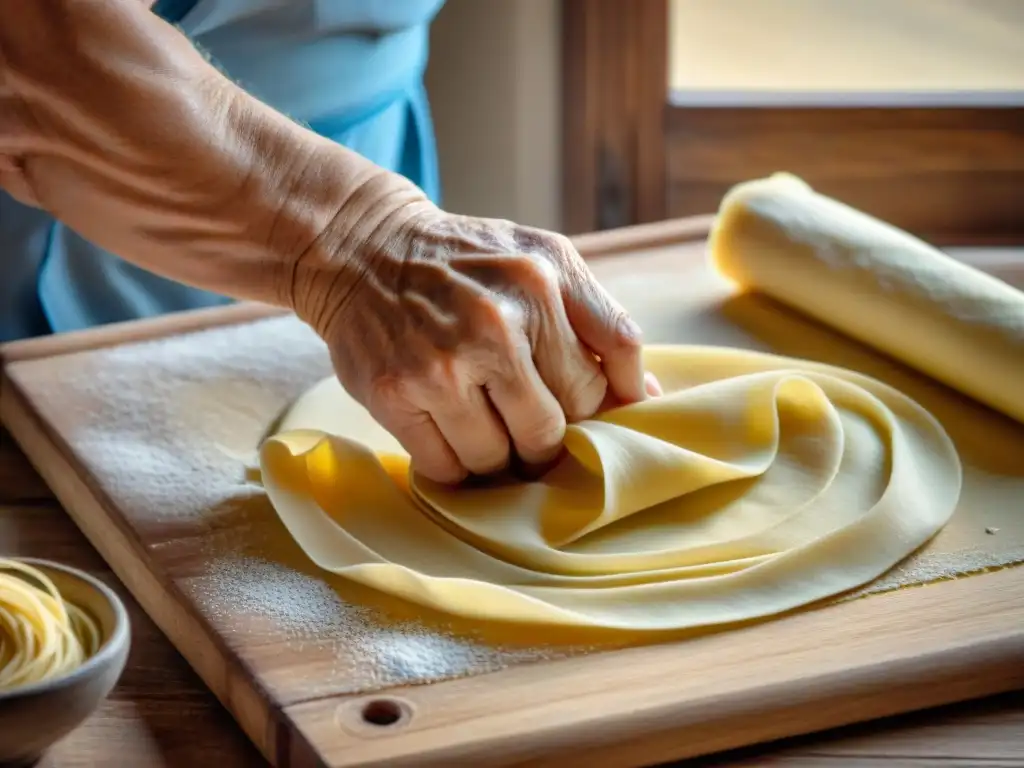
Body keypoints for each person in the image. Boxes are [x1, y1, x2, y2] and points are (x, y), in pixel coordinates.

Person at [0, 0, 659, 484]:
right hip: (73, 215)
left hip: (362, 160)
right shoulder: (353, 245)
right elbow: (39, 42)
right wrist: (352, 238)